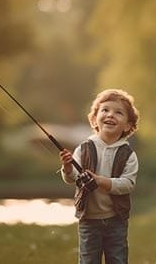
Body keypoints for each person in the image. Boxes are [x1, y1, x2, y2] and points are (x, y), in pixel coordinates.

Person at [59, 89, 140, 264]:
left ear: (127, 125)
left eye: (118, 112)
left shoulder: (128, 154)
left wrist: (101, 181)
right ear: (95, 119)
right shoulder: (83, 148)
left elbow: (128, 184)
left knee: (117, 259)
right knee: (88, 260)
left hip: (116, 220)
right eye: (105, 110)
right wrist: (67, 166)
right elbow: (72, 178)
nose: (110, 115)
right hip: (88, 220)